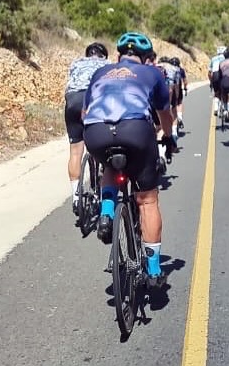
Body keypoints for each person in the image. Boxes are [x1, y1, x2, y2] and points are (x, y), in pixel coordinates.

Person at [82, 32, 177, 288]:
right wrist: (169, 137)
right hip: (135, 129)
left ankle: (106, 212)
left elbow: (84, 111)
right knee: (147, 200)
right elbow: (164, 113)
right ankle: (154, 269)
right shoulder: (153, 73)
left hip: (97, 130)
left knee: (110, 166)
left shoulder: (101, 72)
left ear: (118, 56)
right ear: (147, 59)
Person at [63, 41, 109, 213]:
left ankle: (76, 197)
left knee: (75, 151)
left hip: (73, 101)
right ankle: (102, 188)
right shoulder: (107, 65)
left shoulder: (76, 63)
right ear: (103, 55)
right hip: (93, 102)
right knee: (101, 145)